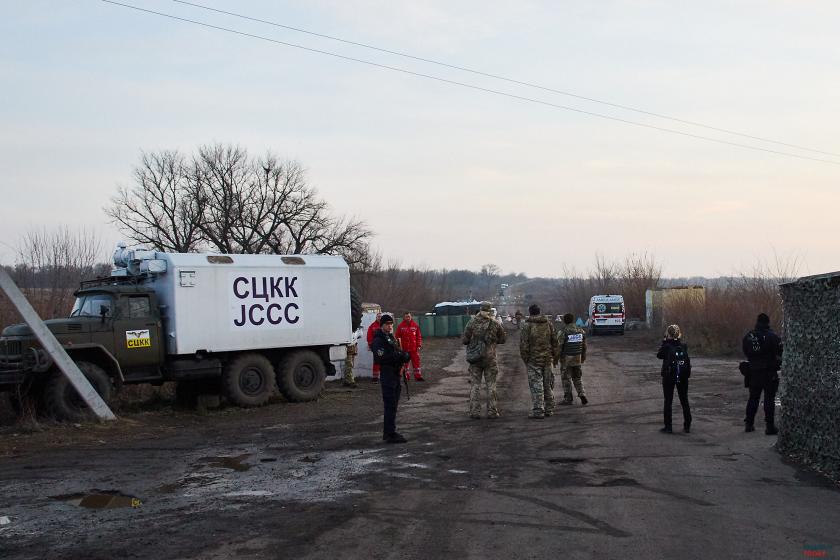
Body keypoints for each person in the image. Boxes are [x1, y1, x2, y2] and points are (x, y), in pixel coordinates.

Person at [462, 301, 507, 419]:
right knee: (491, 385)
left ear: (480, 309)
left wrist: (474, 341)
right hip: (490, 358)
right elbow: (503, 339)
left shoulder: (471, 322)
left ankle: (474, 412)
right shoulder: (495, 323)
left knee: (475, 385)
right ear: (490, 310)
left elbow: (465, 340)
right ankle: (492, 411)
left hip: (475, 359)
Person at [371, 314, 411, 444]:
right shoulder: (379, 339)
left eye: (391, 324)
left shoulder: (390, 337)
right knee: (390, 405)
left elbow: (397, 351)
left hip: (395, 374)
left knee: (393, 405)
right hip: (388, 374)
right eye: (387, 324)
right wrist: (398, 357)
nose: (390, 326)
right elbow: (380, 358)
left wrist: (404, 355)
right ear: (382, 325)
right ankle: (389, 433)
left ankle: (391, 431)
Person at [742, 313, 782, 435]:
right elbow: (780, 351)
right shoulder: (772, 336)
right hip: (769, 372)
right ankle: (769, 427)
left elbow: (745, 351)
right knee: (769, 399)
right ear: (767, 323)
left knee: (753, 398)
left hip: (753, 372)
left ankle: (749, 424)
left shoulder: (749, 336)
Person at [520, 304, 559, 419]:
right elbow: (555, 342)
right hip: (547, 359)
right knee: (548, 384)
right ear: (539, 311)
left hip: (533, 360)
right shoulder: (548, 324)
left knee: (536, 384)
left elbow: (524, 345)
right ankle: (550, 408)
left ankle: (538, 410)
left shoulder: (527, 325)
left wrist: (526, 359)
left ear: (530, 312)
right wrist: (554, 356)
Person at [656, 324, 692, 434]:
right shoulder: (684, 345)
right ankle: (687, 425)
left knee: (668, 401)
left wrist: (664, 341)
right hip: (682, 375)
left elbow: (659, 355)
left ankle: (668, 426)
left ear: (668, 334)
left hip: (669, 375)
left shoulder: (667, 346)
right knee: (684, 400)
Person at [558, 313, 588, 405]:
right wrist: (583, 357)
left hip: (567, 358)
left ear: (564, 321)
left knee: (566, 379)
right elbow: (584, 346)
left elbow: (559, 346)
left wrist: (556, 358)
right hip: (577, 357)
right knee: (577, 377)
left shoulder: (563, 331)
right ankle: (582, 393)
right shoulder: (581, 331)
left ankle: (568, 399)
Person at [396, 312, 424, 381]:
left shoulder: (415, 326)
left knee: (416, 363)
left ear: (411, 317)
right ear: (404, 317)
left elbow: (419, 336)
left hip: (414, 349)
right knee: (405, 364)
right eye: (406, 317)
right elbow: (397, 337)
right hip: (404, 349)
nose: (407, 318)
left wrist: (419, 345)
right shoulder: (400, 326)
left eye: (409, 316)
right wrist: (399, 348)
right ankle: (406, 376)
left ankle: (418, 377)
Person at [366, 312, 382, 383]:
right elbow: (369, 337)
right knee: (376, 362)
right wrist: (371, 345)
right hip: (376, 347)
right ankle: (375, 377)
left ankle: (384, 376)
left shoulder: (385, 325)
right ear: (376, 317)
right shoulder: (372, 326)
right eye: (378, 317)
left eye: (380, 317)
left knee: (384, 362)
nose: (379, 318)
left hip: (384, 347)